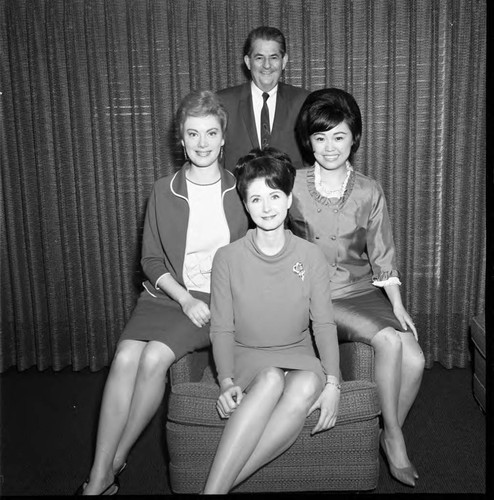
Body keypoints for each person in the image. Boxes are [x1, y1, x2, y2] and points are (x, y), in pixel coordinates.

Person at [75, 90, 249, 495]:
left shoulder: (240, 190)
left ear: (224, 138)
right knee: (124, 357)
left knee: (153, 357)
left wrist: (209, 302)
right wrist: (183, 298)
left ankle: (109, 468)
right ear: (181, 141)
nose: (202, 143)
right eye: (193, 134)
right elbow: (151, 261)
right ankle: (103, 469)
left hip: (216, 303)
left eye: (211, 133)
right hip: (167, 296)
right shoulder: (162, 190)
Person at [290, 88, 425, 487]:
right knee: (387, 342)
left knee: (415, 359)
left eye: (339, 136)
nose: (329, 147)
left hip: (362, 290)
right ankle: (395, 440)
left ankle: (385, 429)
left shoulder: (370, 190)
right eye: (319, 137)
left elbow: (382, 254)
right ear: (308, 140)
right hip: (316, 295)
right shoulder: (291, 184)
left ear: (355, 138)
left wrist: (397, 305)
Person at [202, 148, 340, 494]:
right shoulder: (227, 258)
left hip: (297, 351)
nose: (267, 207)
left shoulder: (311, 256)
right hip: (248, 355)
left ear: (289, 198)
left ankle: (215, 489)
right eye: (256, 199)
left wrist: (333, 383)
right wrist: (225, 381)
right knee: (270, 379)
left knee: (309, 383)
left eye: (275, 196)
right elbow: (221, 327)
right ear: (245, 205)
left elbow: (323, 324)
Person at [217, 26, 309, 172]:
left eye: (273, 57)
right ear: (248, 62)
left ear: (284, 61)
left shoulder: (303, 101)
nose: (267, 65)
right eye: (259, 58)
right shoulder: (222, 102)